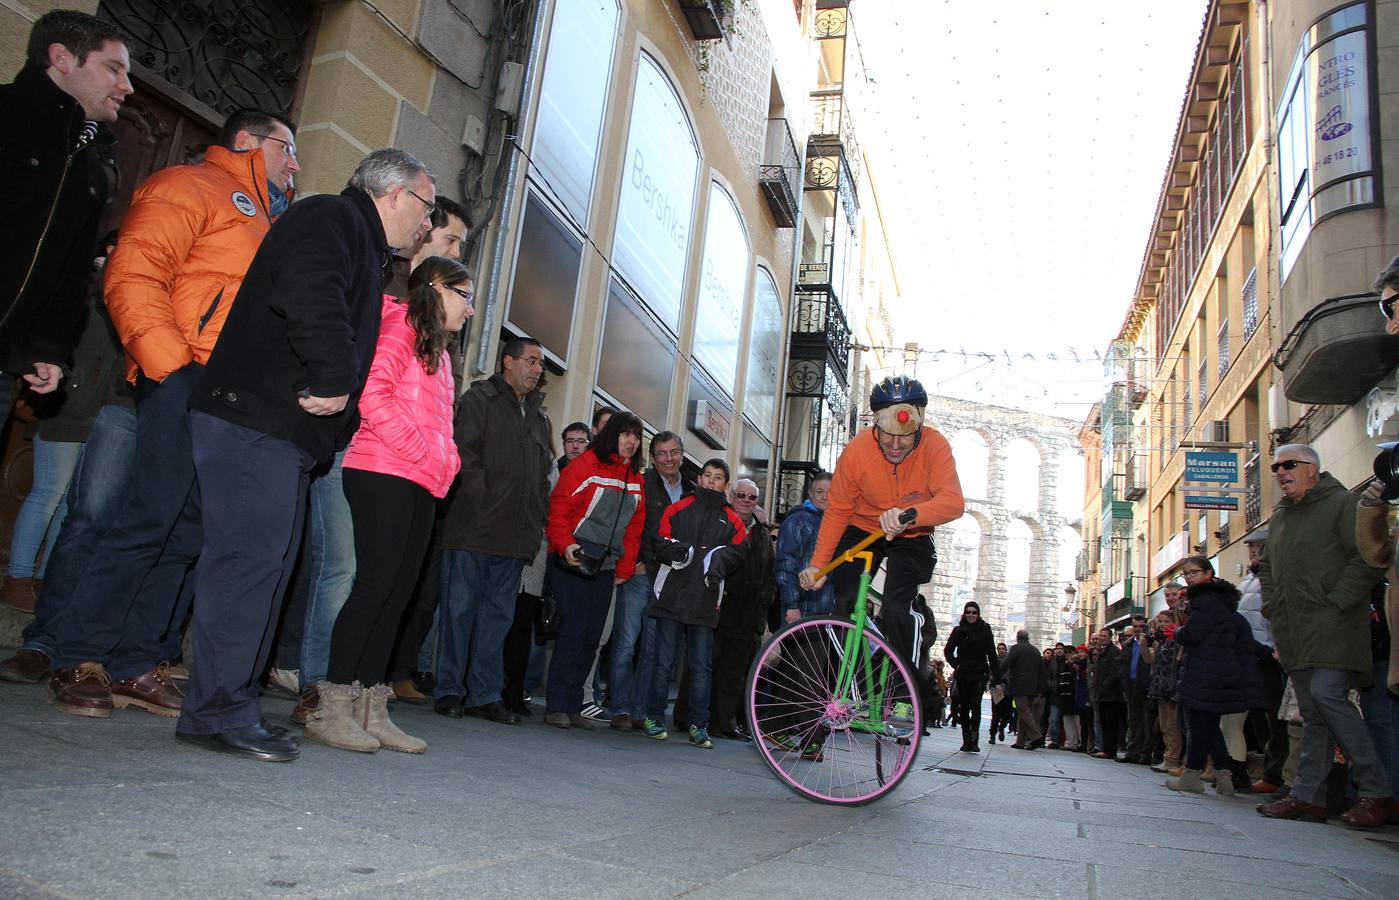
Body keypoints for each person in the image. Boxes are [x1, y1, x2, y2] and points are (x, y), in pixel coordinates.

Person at [174, 148, 436, 762]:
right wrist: (335, 378)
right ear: (393, 194)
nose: (426, 224)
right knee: (246, 566)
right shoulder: (331, 218)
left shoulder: (363, 246)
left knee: (267, 568)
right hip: (253, 420)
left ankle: (230, 703)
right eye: (425, 208)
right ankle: (216, 711)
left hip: (280, 434)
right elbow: (309, 294)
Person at [42, 108, 298, 720]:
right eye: (286, 148)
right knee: (145, 519)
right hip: (183, 375)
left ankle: (135, 663)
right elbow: (133, 274)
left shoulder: (269, 220)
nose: (294, 163)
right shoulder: (187, 184)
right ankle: (77, 653)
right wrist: (170, 366)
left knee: (186, 532)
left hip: (229, 396)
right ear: (247, 141)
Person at [304, 256, 469, 755]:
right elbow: (372, 395)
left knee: (398, 592)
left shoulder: (439, 351)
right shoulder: (400, 325)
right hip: (382, 469)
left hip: (420, 479)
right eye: (466, 295)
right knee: (373, 586)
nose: (471, 308)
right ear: (438, 289)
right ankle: (331, 704)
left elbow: (440, 422)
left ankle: (372, 706)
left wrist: (446, 461)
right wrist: (420, 452)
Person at [799, 375, 965, 722]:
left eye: (904, 435)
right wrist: (817, 565)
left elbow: (953, 502)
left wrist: (911, 515)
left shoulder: (935, 446)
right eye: (886, 433)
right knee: (843, 601)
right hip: (863, 529)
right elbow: (838, 511)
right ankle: (860, 682)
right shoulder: (858, 451)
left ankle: (905, 694)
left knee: (895, 606)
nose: (894, 443)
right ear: (875, 425)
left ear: (919, 424)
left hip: (912, 533)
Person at [1256, 443, 1396, 827]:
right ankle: (1308, 797)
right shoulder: (1281, 516)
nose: (1281, 472)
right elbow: (1265, 566)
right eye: (1276, 467)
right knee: (1313, 714)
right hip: (1293, 630)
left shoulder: (1343, 503)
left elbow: (1369, 557)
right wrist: (1271, 605)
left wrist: (1338, 602)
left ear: (1313, 469)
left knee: (1327, 696)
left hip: (1334, 625)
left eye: (1289, 465)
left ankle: (1377, 791)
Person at [1, 11, 129, 416]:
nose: (126, 87)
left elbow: (71, 274)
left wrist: (47, 348)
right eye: (114, 69)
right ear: (62, 58)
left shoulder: (91, 169)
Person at [433, 338, 553, 725]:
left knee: (497, 618)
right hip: (473, 530)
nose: (537, 369)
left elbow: (540, 479)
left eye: (540, 364)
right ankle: (450, 689)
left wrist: (534, 521)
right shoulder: (479, 399)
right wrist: (483, 503)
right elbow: (466, 457)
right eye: (531, 361)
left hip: (514, 538)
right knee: (459, 611)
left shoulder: (540, 417)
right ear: (508, 362)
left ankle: (484, 694)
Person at [543, 412, 646, 729]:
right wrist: (566, 544)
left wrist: (625, 568)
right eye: (625, 434)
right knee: (573, 630)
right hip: (573, 558)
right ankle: (557, 705)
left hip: (607, 566)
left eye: (636, 436)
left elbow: (634, 530)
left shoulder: (636, 479)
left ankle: (574, 705)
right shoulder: (586, 465)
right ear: (612, 435)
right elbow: (559, 508)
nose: (631, 441)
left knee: (591, 637)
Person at [636, 459, 747, 748]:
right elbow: (658, 539)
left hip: (706, 600)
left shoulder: (732, 519)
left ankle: (699, 725)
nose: (711, 481)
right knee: (662, 662)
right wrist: (678, 552)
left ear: (726, 484)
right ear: (699, 478)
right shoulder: (678, 508)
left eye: (718, 477)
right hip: (671, 596)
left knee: (701, 667)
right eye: (707, 476)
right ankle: (653, 717)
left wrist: (717, 562)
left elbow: (738, 553)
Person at [610, 432, 694, 729]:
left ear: (682, 454)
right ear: (653, 456)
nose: (668, 458)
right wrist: (635, 562)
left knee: (653, 649)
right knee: (625, 643)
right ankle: (618, 707)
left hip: (668, 581)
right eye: (662, 453)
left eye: (674, 452)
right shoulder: (642, 483)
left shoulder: (691, 492)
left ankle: (638, 711)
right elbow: (633, 525)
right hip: (640, 574)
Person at [1167, 557, 1265, 796]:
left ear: (1208, 574)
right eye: (1186, 574)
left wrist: (1178, 631)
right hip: (1218, 670)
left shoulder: (1204, 600)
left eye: (1194, 573)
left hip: (1204, 671)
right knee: (1210, 727)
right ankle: (1224, 777)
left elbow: (1193, 634)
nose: (1189, 577)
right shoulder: (1222, 601)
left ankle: (1192, 775)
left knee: (1198, 726)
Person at [708, 478, 773, 741]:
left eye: (752, 497)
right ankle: (692, 716)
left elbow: (770, 573)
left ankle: (724, 721)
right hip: (716, 607)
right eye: (741, 495)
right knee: (704, 665)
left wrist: (765, 599)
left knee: (735, 674)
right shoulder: (719, 523)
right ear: (731, 496)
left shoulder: (762, 534)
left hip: (746, 615)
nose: (746, 500)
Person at [774, 473, 833, 624]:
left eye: (830, 492)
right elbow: (786, 564)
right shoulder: (797, 521)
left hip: (827, 611)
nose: (825, 496)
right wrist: (792, 606)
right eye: (820, 492)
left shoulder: (834, 524)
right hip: (803, 610)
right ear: (810, 494)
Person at [944, 601, 999, 752]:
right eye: (968, 612)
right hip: (963, 673)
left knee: (975, 704)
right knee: (965, 706)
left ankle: (974, 740)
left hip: (980, 673)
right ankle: (966, 739)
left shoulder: (985, 629)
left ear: (978, 614)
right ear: (964, 613)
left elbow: (992, 654)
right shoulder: (958, 630)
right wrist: (956, 664)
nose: (971, 615)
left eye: (974, 612)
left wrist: (997, 678)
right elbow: (948, 650)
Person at [1144, 606, 1186, 774]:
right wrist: (1144, 645)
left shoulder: (1175, 641)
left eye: (1167, 621)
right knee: (1163, 725)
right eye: (1160, 621)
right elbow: (1150, 660)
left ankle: (1172, 759)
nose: (1162, 624)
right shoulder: (1162, 641)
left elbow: (1176, 663)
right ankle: (1168, 757)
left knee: (1171, 726)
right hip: (1160, 686)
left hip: (1171, 686)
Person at [1003, 629, 1047, 749]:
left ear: (1018, 638)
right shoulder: (1035, 650)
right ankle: (1020, 742)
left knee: (1023, 712)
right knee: (1025, 712)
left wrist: (996, 676)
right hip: (1033, 688)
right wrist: (1041, 688)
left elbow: (1006, 663)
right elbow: (1042, 670)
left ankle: (1037, 737)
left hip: (1019, 686)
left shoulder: (1016, 648)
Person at [1120, 614, 1153, 764]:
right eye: (1136, 626)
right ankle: (1132, 751)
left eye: (1141, 626)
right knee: (1133, 720)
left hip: (1145, 685)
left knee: (1146, 721)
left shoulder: (1149, 643)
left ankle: (1145, 753)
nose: (1138, 629)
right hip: (1131, 685)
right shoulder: (1128, 644)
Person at [1089, 628, 1125, 760]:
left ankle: (1110, 750)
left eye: (1104, 636)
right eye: (1101, 636)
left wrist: (1104, 687)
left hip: (1112, 695)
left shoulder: (1114, 652)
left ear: (1110, 637)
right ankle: (1105, 748)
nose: (1102, 638)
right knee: (1103, 722)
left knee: (1110, 723)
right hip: (1102, 694)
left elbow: (1115, 673)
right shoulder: (1101, 652)